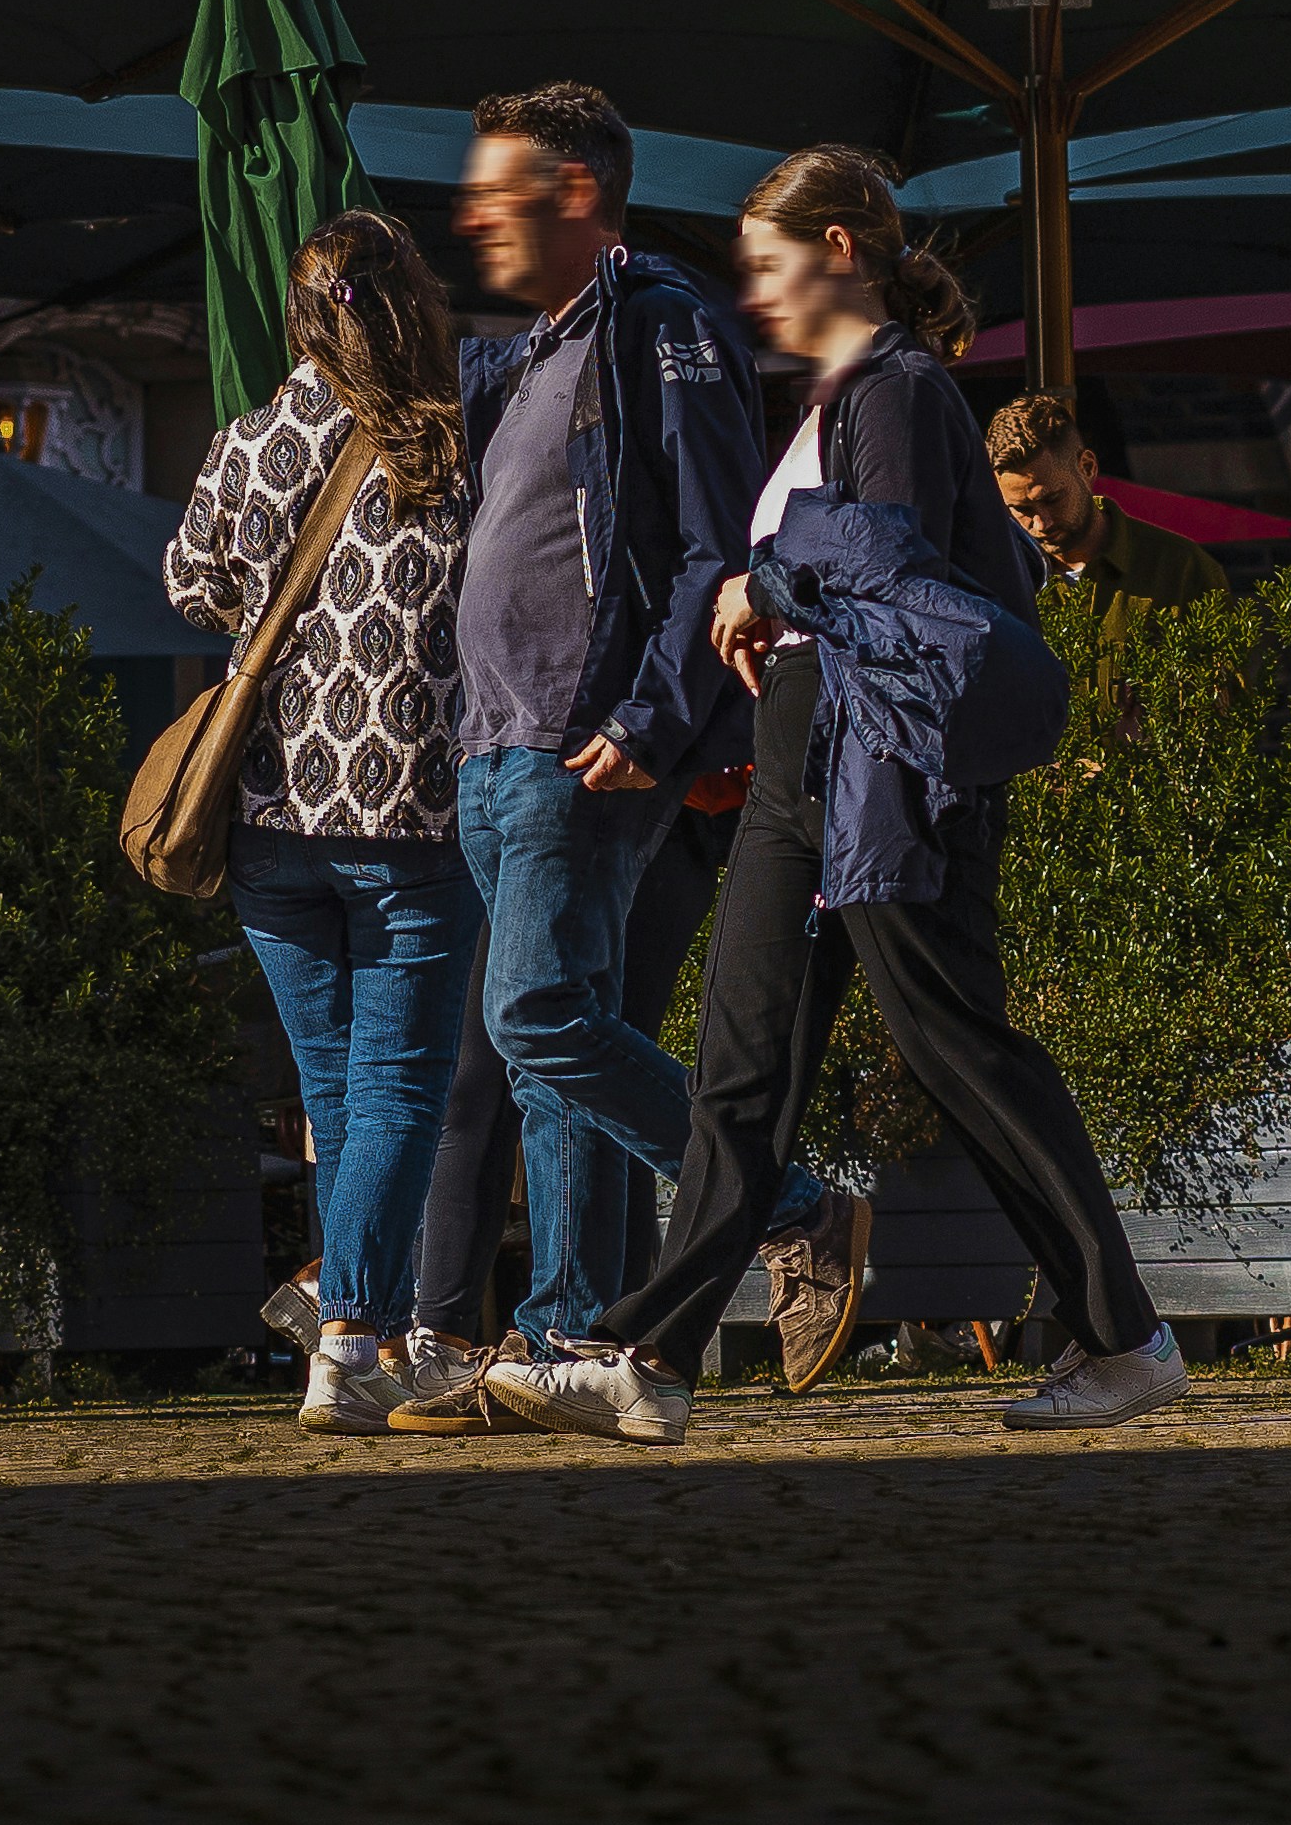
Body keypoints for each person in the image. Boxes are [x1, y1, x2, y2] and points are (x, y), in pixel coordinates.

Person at [497, 147, 1191, 1442]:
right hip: (808, 761)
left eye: (768, 261)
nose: (751, 290)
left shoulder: (899, 386)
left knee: (955, 1044)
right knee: (740, 1065)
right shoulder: (839, 399)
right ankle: (647, 1362)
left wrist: (764, 583)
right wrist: (772, 601)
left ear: (840, 249)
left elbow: (881, 551)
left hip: (888, 766)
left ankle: (1124, 1335)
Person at [396, 81, 782, 1431]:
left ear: (572, 193)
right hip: (500, 745)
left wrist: (652, 714)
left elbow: (710, 542)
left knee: (534, 1021)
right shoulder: (532, 349)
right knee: (564, 1036)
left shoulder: (657, 326)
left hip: (581, 740)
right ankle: (578, 1333)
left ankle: (784, 1207)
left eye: (494, 194)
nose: (468, 218)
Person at [169, 212, 481, 1436]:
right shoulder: (451, 443)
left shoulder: (247, 441)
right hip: (411, 810)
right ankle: (351, 1337)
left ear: (298, 318)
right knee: (400, 1087)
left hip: (269, 815)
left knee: (337, 1089)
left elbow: (188, 583)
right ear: (410, 306)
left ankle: (363, 1326)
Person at [981, 397, 1229, 609]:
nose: (1041, 523)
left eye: (1053, 499)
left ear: (1087, 468)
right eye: (1020, 509)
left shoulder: (1181, 568)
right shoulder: (993, 578)